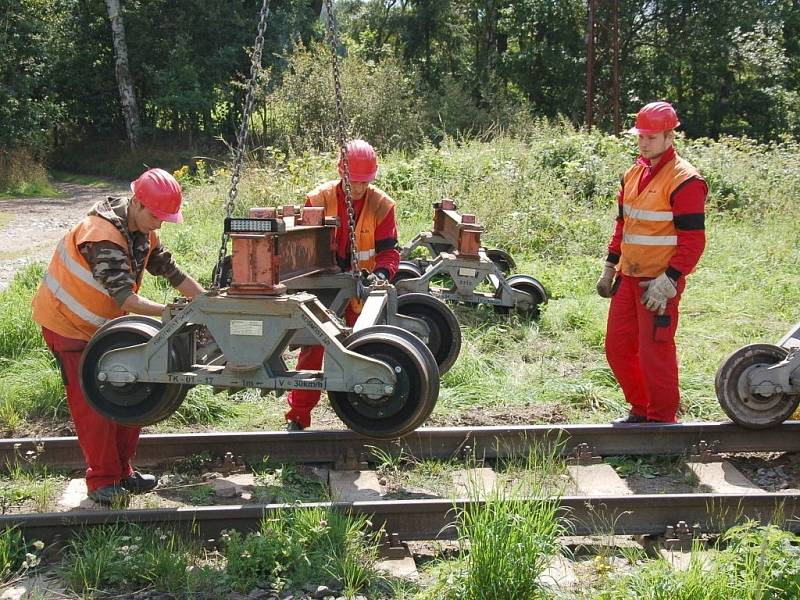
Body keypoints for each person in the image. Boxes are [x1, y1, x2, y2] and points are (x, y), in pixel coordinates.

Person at [31, 168, 204, 505]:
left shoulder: (142, 230)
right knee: (95, 405)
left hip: (105, 328)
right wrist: (172, 311)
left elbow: (172, 271)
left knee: (134, 394)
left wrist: (207, 301)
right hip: (68, 326)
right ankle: (102, 481)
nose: (159, 224)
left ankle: (122, 471)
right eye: (156, 216)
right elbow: (126, 299)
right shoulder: (101, 236)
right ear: (137, 203)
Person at [596, 101, 707, 424]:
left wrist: (670, 279)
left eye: (652, 137)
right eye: (641, 136)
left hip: (659, 282)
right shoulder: (633, 173)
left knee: (654, 352)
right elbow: (624, 225)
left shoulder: (685, 181)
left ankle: (661, 421)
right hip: (627, 278)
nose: (644, 143)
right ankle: (641, 407)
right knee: (617, 349)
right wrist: (609, 265)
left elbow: (693, 241)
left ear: (670, 137)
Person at [285, 139, 400, 431]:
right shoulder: (318, 200)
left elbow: (389, 251)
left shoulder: (382, 206)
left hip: (363, 289)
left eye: (364, 182)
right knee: (313, 347)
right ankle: (298, 417)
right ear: (341, 173)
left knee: (365, 348)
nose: (359, 188)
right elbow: (301, 248)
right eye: (353, 181)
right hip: (322, 288)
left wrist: (383, 275)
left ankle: (363, 414)